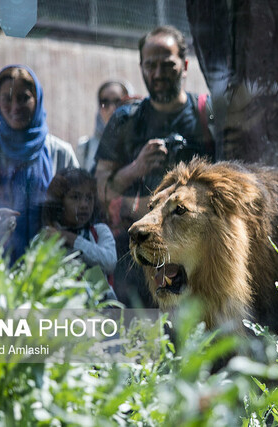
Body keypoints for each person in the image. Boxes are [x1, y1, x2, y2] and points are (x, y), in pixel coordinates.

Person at [94, 25, 215, 307]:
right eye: (150, 65)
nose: (158, 74)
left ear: (184, 65)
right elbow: (98, 190)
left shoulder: (207, 115)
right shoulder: (125, 120)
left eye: (166, 64)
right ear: (141, 67)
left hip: (195, 261)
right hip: (136, 259)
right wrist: (135, 168)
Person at [0, 65, 79, 263]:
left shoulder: (60, 152)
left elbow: (83, 206)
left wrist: (56, 207)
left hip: (51, 264)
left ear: (37, 99)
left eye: (23, 98)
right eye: (7, 98)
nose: (15, 107)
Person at [42, 168, 117, 300]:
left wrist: (72, 239)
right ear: (59, 202)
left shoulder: (99, 231)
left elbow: (109, 262)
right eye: (75, 197)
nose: (84, 205)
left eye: (89, 198)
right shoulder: (48, 236)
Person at [76, 81, 130, 174]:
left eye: (118, 101)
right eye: (105, 102)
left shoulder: (139, 142)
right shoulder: (85, 147)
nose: (112, 108)